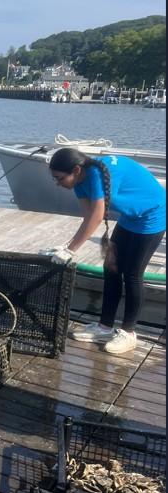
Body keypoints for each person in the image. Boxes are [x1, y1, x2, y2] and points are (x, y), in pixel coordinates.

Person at [46, 148, 165, 354]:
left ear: (76, 170)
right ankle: (104, 327)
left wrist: (71, 251)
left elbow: (98, 215)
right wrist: (66, 246)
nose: (57, 183)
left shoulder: (96, 175)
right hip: (131, 217)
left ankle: (129, 333)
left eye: (59, 178)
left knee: (132, 274)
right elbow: (88, 217)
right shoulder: (79, 181)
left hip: (153, 215)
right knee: (111, 267)